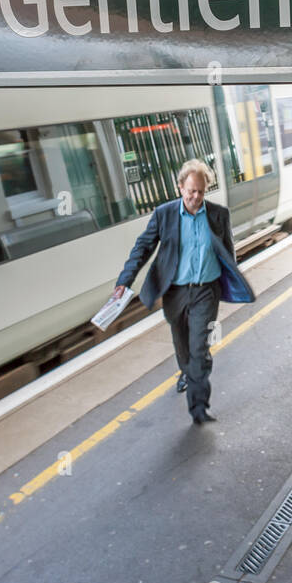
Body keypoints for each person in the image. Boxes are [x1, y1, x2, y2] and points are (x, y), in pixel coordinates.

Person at [113, 159, 255, 425]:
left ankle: (199, 407)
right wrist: (125, 280)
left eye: (201, 191)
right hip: (175, 292)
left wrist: (230, 279)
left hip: (206, 291)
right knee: (182, 345)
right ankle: (188, 371)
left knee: (199, 348)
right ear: (180, 187)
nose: (196, 197)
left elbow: (228, 251)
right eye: (191, 191)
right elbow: (142, 248)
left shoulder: (218, 214)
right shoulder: (164, 215)